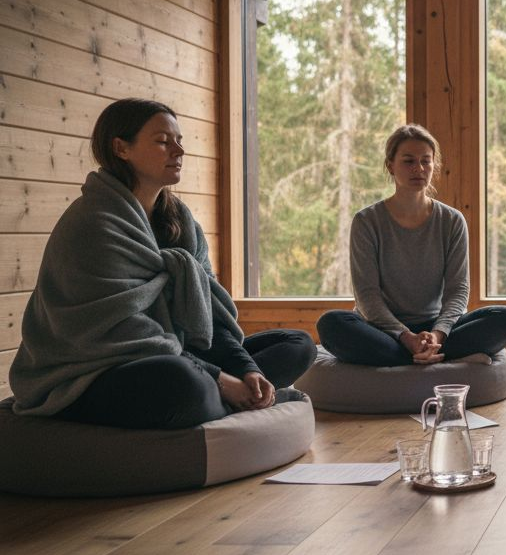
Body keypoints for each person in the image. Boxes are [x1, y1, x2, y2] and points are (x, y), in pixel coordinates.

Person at [10, 98, 315, 429]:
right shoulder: (93, 223)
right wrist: (218, 378)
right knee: (184, 383)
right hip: (91, 370)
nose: (179, 151)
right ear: (121, 148)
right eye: (163, 141)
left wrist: (246, 370)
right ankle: (232, 398)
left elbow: (209, 314)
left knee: (298, 345)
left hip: (177, 354)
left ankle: (238, 397)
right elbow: (120, 333)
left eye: (179, 141)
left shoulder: (181, 223)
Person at [316, 125, 506, 366]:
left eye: (426, 161)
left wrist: (438, 334)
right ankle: (429, 355)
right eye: (409, 161)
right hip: (382, 330)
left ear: (434, 165)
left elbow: (458, 290)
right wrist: (406, 337)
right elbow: (367, 297)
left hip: (436, 327)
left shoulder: (452, 220)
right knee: (331, 324)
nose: (419, 169)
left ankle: (415, 355)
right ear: (390, 165)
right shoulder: (366, 221)